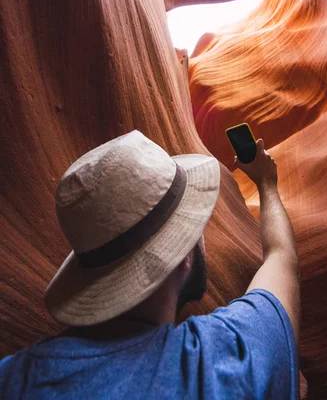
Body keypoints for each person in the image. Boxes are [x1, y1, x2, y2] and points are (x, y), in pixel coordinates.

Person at [0, 130, 300, 399]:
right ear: (182, 255)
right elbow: (281, 256)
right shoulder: (228, 360)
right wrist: (266, 183)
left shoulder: (11, 377)